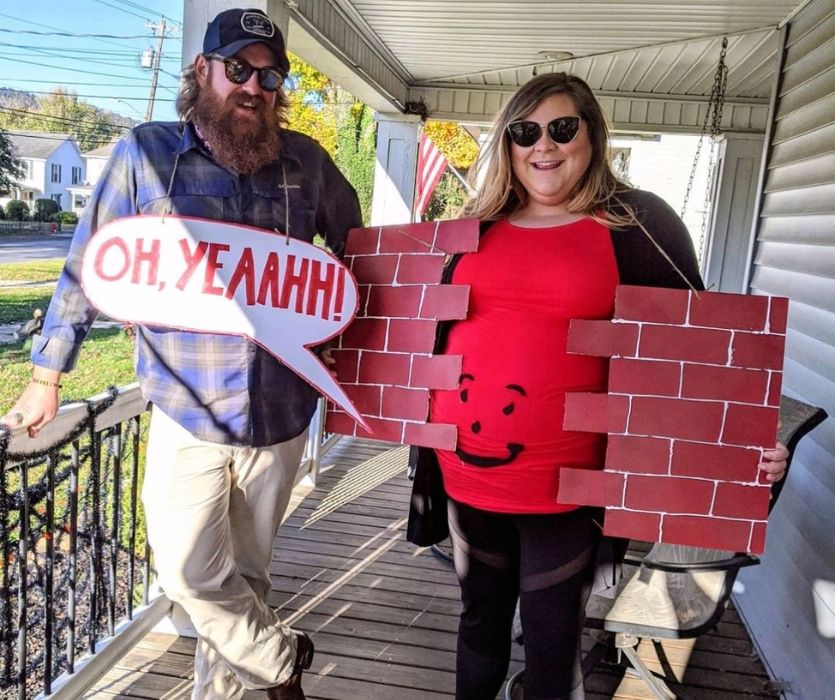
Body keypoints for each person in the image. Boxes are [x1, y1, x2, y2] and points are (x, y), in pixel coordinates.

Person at [0, 8, 360, 700]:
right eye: (238, 69)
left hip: (279, 410)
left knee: (246, 581)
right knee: (189, 573)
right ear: (202, 71)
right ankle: (282, 664)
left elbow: (360, 258)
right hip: (183, 404)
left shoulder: (308, 163)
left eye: (270, 74)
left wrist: (347, 331)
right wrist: (48, 373)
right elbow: (87, 267)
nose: (254, 85)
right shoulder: (145, 155)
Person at [415, 72, 789, 700]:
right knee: (479, 619)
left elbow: (696, 355)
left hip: (570, 487)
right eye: (525, 131)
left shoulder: (636, 226)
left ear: (592, 135)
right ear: (507, 144)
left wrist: (745, 443)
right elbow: (419, 333)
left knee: (553, 638)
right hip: (467, 473)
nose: (545, 146)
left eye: (563, 128)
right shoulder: (473, 228)